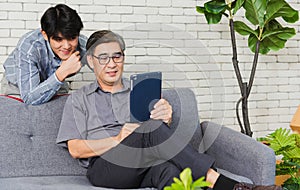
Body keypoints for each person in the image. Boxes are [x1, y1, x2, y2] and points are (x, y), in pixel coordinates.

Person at [56, 30, 282, 190]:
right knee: (151, 130)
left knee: (171, 173)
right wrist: (118, 139)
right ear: (91, 61)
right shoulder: (79, 98)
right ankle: (224, 184)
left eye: (117, 56)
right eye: (103, 58)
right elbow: (75, 149)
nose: (112, 64)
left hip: (143, 164)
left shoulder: (141, 90)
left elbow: (156, 140)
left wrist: (165, 116)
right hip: (106, 167)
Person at [1, 4, 87, 105]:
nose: (66, 46)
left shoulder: (84, 46)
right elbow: (29, 98)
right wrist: (62, 72)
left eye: (72, 38)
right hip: (17, 90)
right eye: (58, 39)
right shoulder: (29, 47)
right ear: (45, 35)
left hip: (54, 85)